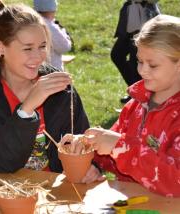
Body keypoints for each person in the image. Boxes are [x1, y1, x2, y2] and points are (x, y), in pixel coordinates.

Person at [62, 14, 180, 197]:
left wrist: (119, 146)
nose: (142, 70)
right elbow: (112, 154)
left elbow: (175, 182)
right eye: (140, 61)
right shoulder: (136, 105)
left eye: (153, 65)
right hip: (130, 203)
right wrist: (90, 152)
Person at [0, 2, 90, 175]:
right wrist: (27, 109)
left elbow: (85, 140)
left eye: (42, 47)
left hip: (58, 192)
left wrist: (87, 164)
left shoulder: (60, 89)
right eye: (27, 48)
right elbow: (1, 163)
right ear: (1, 48)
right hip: (5, 191)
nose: (38, 57)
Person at [111, 0, 160, 104]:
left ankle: (140, 96)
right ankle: (135, 91)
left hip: (145, 24)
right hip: (130, 22)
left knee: (135, 63)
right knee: (117, 55)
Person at [33, 0, 72, 71]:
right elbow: (64, 47)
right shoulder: (50, 27)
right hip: (52, 70)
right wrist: (64, 33)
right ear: (53, 9)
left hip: (35, 69)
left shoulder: (31, 24)